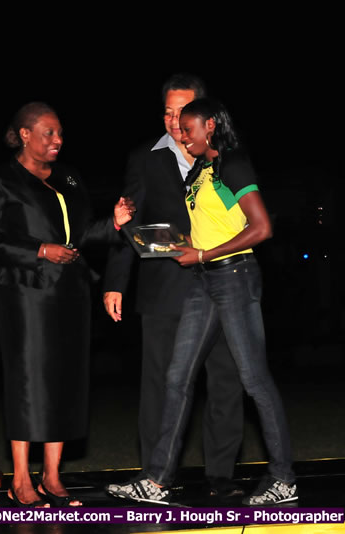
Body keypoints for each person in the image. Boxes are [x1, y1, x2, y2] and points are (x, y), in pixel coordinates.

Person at [107, 98, 297, 506]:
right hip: (202, 280)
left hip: (234, 277)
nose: (182, 135)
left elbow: (261, 228)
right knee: (177, 378)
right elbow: (207, 231)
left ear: (210, 126)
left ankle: (284, 479)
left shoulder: (233, 164)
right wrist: (166, 243)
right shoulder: (199, 171)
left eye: (189, 128)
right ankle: (156, 481)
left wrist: (205, 255)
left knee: (254, 380)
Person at [0, 102, 133, 508]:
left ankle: (52, 475)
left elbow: (79, 236)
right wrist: (39, 250)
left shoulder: (69, 178)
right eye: (48, 132)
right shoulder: (0, 179)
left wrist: (112, 223)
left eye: (60, 133)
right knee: (29, 380)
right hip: (25, 292)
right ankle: (21, 479)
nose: (57, 140)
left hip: (71, 292)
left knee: (66, 379)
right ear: (24, 134)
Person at [102, 74, 244, 498]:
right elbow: (127, 218)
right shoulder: (144, 159)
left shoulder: (225, 155)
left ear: (204, 114)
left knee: (225, 381)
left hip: (221, 285)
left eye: (182, 111)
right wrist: (115, 283)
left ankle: (220, 476)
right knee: (161, 386)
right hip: (165, 288)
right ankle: (154, 477)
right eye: (166, 110)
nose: (173, 119)